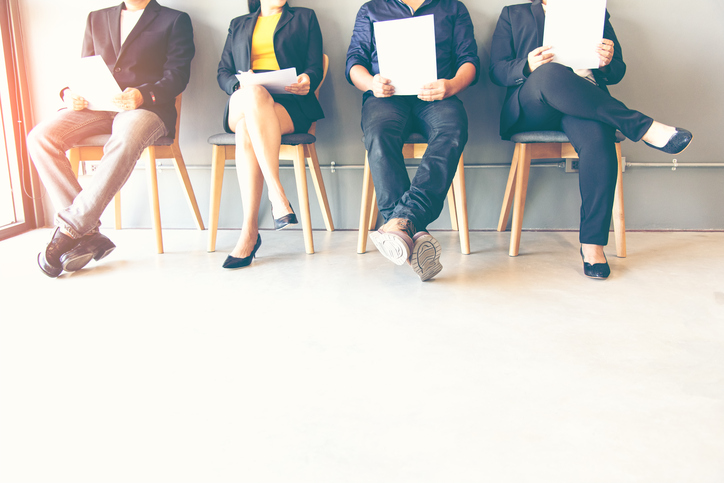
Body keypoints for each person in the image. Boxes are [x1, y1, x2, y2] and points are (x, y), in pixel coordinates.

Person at [490, 0, 693, 280]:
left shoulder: (595, 13)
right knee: (550, 72)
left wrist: (608, 62)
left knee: (599, 138)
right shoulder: (514, 14)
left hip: (585, 102)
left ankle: (593, 245)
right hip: (534, 103)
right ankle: (644, 128)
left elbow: (618, 70)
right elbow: (497, 70)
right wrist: (527, 65)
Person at [26, 0, 195, 278]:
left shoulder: (175, 20)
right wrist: (70, 93)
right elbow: (85, 69)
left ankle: (70, 229)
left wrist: (142, 95)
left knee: (125, 137)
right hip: (97, 106)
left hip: (146, 108)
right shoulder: (96, 18)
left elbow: (178, 75)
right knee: (41, 137)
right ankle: (87, 233)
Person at [346, 0, 479, 281]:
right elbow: (354, 61)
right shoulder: (371, 9)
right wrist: (371, 83)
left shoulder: (453, 8)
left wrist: (451, 85)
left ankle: (400, 223)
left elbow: (470, 60)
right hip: (386, 98)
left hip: (436, 95)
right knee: (379, 134)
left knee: (452, 129)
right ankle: (411, 231)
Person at [216, 0, 324, 269]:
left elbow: (314, 66)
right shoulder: (238, 24)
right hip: (243, 99)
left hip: (288, 104)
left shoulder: (305, 18)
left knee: (246, 130)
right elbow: (223, 72)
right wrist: (239, 84)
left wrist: (307, 80)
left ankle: (249, 232)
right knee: (253, 94)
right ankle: (278, 196)